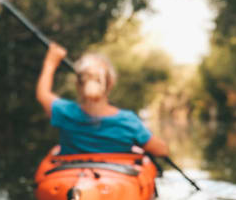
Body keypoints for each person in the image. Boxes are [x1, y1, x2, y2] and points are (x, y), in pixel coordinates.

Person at [36, 43, 169, 157]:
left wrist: (50, 62)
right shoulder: (128, 122)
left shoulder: (65, 112)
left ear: (77, 85)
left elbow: (43, 94)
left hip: (70, 180)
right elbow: (161, 150)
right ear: (111, 83)